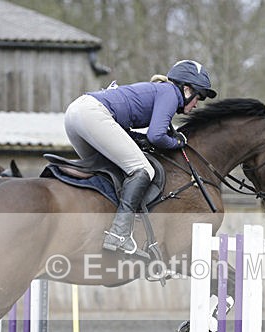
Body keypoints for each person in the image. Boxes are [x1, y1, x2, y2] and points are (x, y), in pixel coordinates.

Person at [64, 59, 217, 254]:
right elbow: (157, 136)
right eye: (199, 96)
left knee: (111, 172)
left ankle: (95, 227)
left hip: (75, 114)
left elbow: (138, 135)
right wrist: (178, 142)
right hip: (91, 113)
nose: (197, 104)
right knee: (144, 169)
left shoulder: (160, 91)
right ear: (187, 90)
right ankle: (119, 234)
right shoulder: (170, 93)